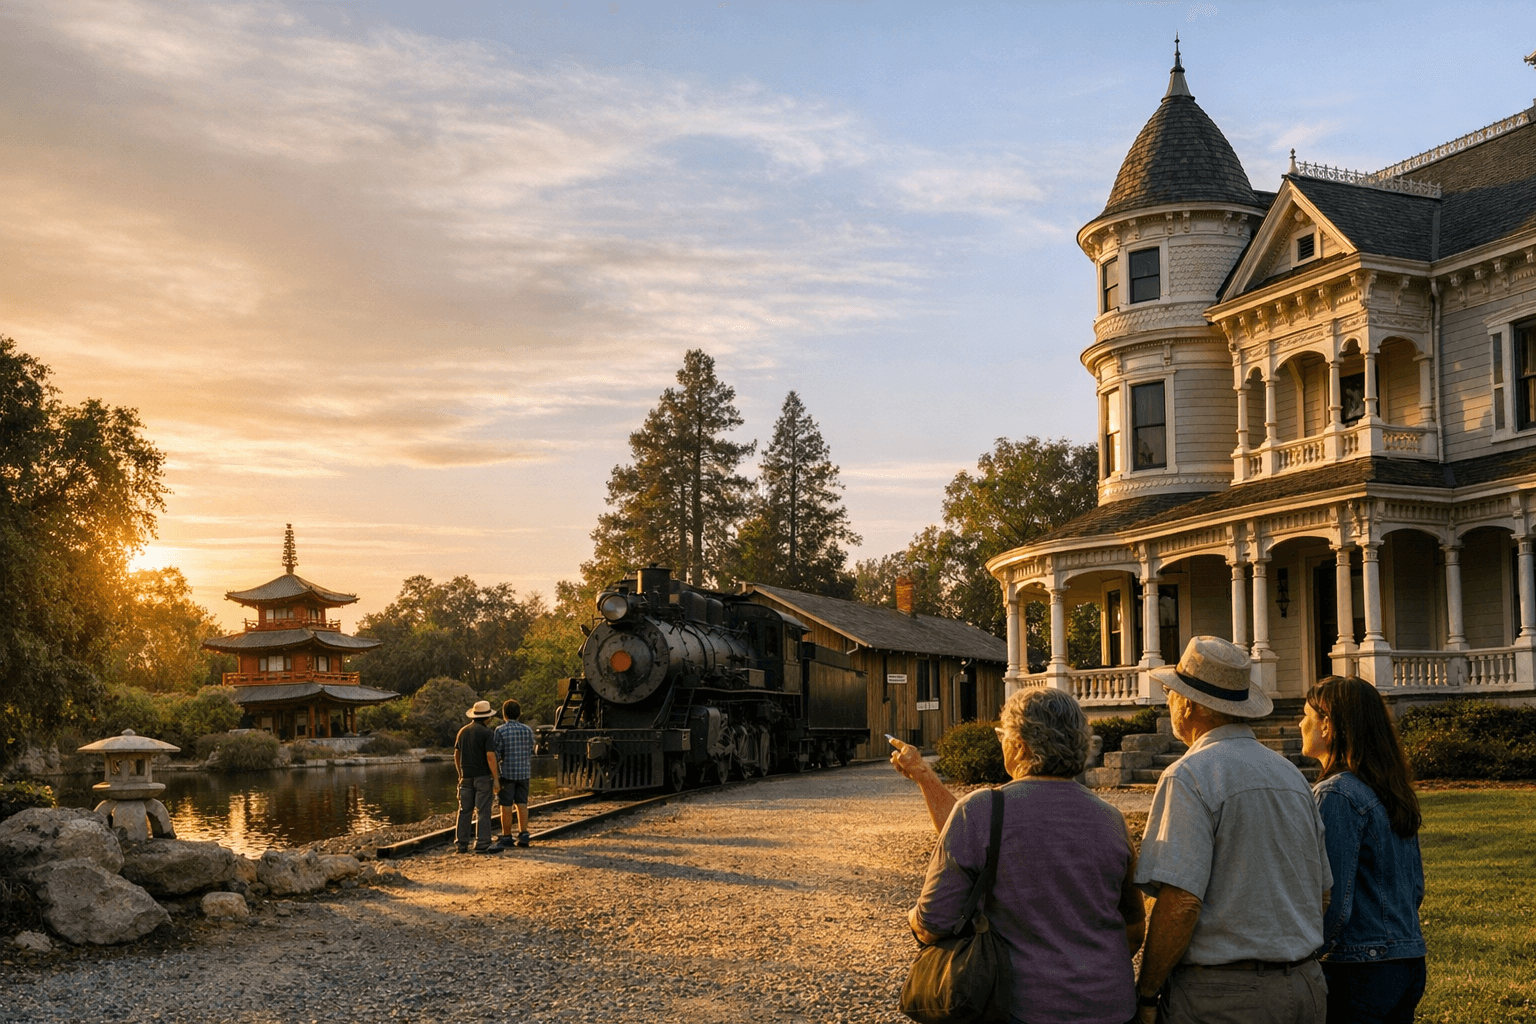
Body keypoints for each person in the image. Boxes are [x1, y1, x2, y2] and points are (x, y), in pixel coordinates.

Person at [893, 688, 1146, 1024]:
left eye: (1003, 735)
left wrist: (912, 918)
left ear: (1021, 745)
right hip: (1111, 1008)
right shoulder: (1111, 819)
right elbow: (1134, 929)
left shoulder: (981, 809)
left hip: (1021, 1010)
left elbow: (933, 924)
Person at [1133, 635, 1332, 1024]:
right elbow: (1322, 891)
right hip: (1305, 986)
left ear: (1188, 703)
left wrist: (1147, 991)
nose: (1169, 702)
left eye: (1171, 694)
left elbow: (1181, 903)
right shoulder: (1291, 775)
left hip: (1223, 998)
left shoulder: (1188, 776)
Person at [1301, 676, 1426, 1024]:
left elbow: (1332, 900)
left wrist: (1303, 957)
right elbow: (1415, 889)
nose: (1300, 723)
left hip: (1357, 970)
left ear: (1327, 724)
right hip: (1408, 961)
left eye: (1306, 714)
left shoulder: (1336, 794)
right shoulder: (1392, 791)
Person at [454, 699, 500, 855]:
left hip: (466, 777)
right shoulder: (487, 733)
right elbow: (490, 757)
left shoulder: (462, 731)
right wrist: (496, 778)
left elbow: (456, 754)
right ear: (487, 717)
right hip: (482, 777)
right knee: (483, 810)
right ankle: (482, 843)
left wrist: (460, 773)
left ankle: (461, 844)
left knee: (464, 810)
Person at [489, 698, 536, 851]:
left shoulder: (500, 730)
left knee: (506, 805)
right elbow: (531, 750)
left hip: (507, 773)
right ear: (519, 714)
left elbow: (496, 752)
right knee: (522, 803)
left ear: (504, 714)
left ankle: (507, 836)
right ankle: (524, 834)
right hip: (524, 772)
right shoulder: (527, 730)